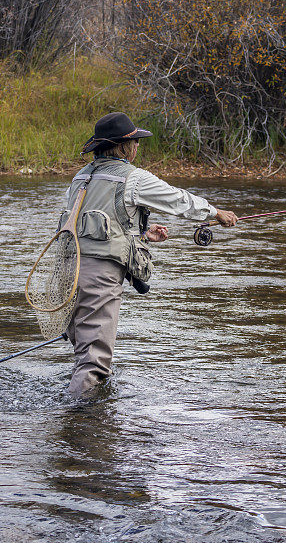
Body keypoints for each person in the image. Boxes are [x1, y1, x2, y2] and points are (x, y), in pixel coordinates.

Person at [64, 112, 237, 398]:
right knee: (93, 362)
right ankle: (79, 425)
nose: (138, 146)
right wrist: (215, 213)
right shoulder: (132, 178)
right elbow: (177, 200)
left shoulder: (81, 177)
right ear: (123, 146)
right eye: (135, 141)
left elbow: (90, 226)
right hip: (98, 277)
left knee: (85, 351)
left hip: (69, 272)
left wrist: (142, 236)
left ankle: (83, 410)